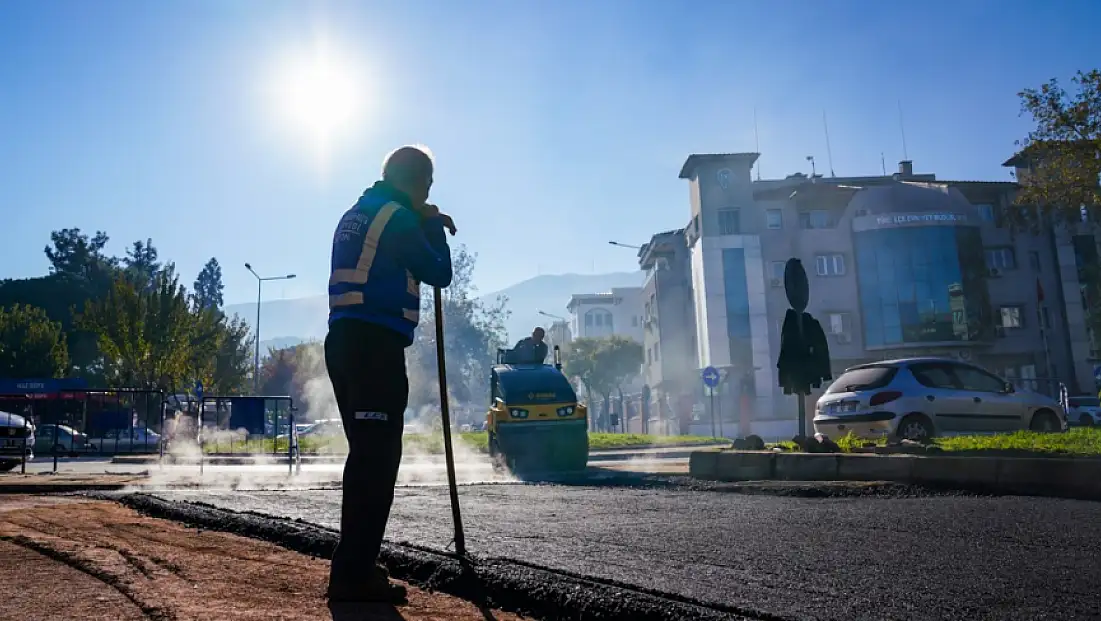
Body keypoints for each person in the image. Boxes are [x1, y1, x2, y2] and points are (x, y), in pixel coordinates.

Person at [324, 145, 456, 604]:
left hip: (346, 342)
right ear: (417, 182)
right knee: (376, 462)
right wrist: (434, 228)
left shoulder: (358, 212)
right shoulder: (396, 218)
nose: (428, 193)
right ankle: (352, 576)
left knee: (367, 456)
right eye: (428, 186)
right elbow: (439, 272)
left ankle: (356, 567)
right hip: (372, 346)